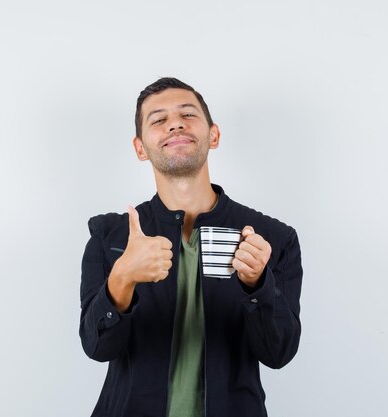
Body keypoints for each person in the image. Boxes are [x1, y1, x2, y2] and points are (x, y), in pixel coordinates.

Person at [79, 77, 303, 417]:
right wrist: (122, 278)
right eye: (158, 119)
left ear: (213, 135)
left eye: (188, 114)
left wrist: (258, 285)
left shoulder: (271, 238)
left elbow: (279, 353)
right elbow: (97, 347)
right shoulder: (110, 236)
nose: (175, 124)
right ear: (140, 148)